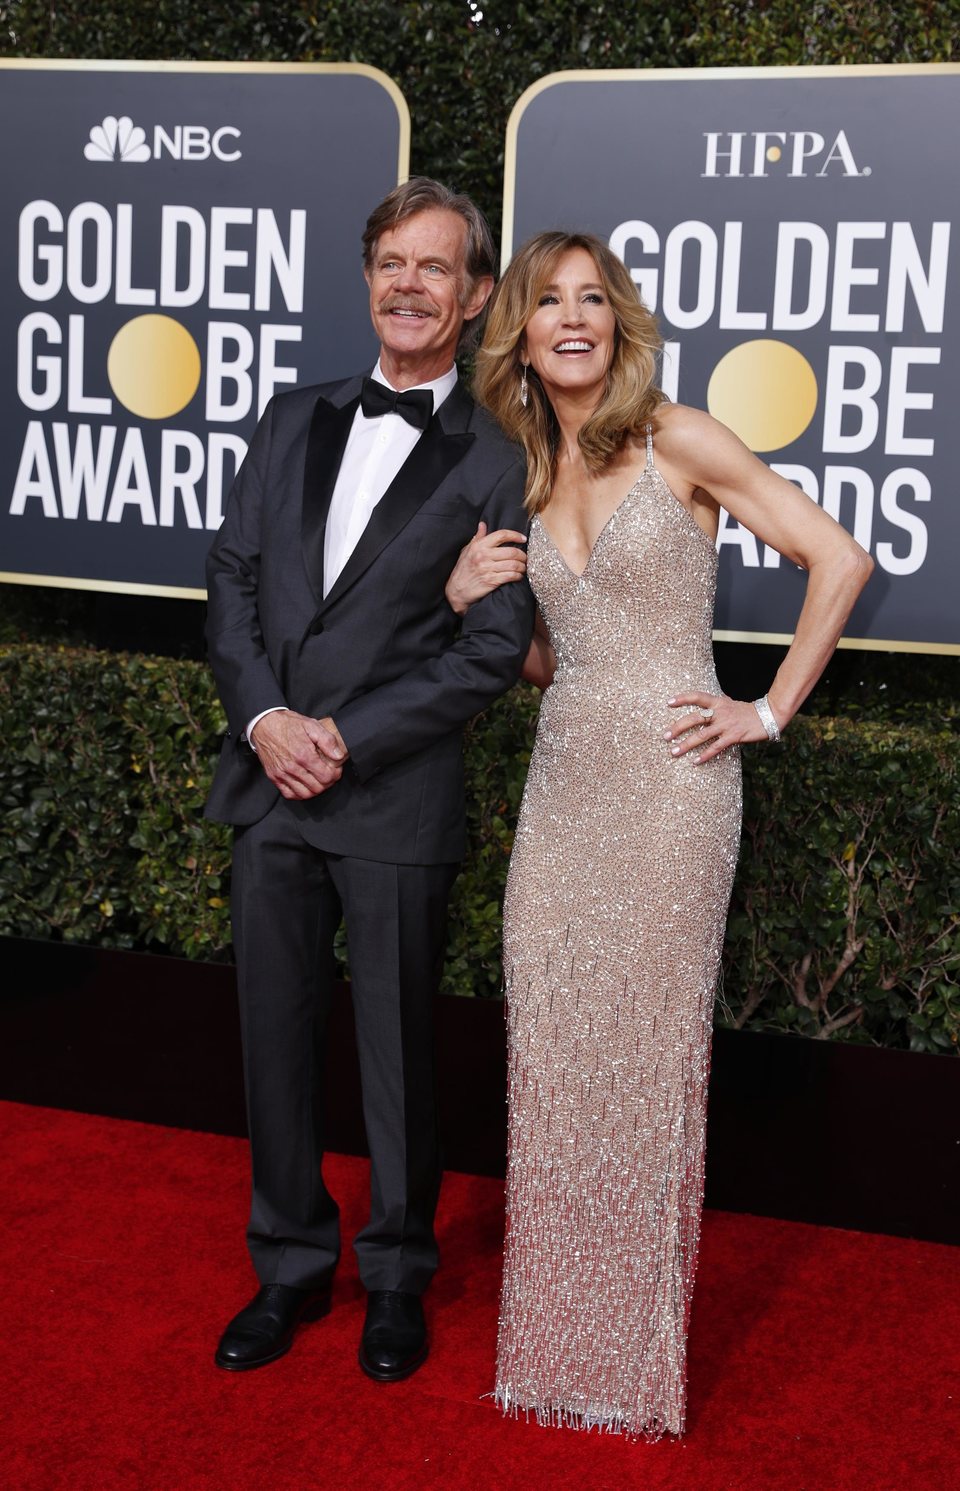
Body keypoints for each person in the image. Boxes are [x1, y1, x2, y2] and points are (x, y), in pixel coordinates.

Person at [444, 230, 872, 1438]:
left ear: (617, 320)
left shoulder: (677, 436)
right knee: (557, 1059)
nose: (570, 319)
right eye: (546, 302)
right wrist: (467, 601)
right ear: (519, 330)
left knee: (646, 1072)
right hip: (565, 783)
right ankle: (551, 1356)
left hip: (675, 792)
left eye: (593, 299)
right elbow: (550, 665)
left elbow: (838, 557)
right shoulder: (529, 461)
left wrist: (768, 709)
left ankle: (631, 1375)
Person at [204, 179, 534, 1382]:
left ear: (477, 294)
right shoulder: (291, 419)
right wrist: (266, 719)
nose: (409, 285)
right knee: (273, 1043)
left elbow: (492, 653)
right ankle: (288, 1266)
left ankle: (397, 1276)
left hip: (390, 797)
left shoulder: (496, 461)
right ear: (368, 278)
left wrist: (343, 736)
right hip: (269, 784)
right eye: (392, 262)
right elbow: (232, 579)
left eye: (435, 267)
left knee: (399, 1055)